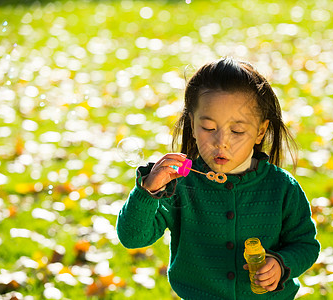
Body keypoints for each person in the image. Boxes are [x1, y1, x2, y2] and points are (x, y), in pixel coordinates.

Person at [116, 57, 320, 299]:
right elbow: (133, 237)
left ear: (261, 131)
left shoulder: (282, 187)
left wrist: (281, 263)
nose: (221, 141)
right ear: (192, 124)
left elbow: (305, 245)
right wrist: (147, 192)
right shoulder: (180, 186)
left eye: (237, 131)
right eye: (209, 128)